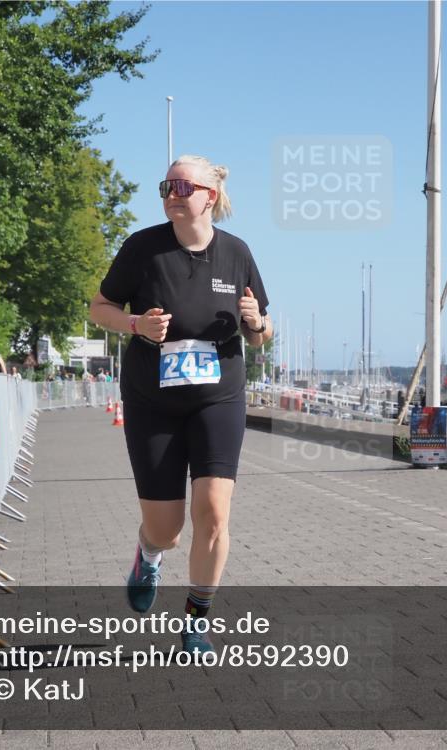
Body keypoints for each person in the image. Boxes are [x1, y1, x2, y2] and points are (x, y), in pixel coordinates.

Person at [89, 155, 271, 657]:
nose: (172, 194)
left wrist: (256, 323)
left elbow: (261, 335)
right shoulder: (142, 248)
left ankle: (195, 621)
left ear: (210, 196)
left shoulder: (237, 253)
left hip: (219, 397)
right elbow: (100, 308)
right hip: (153, 402)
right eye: (166, 186)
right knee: (167, 529)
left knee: (213, 513)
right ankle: (149, 554)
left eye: (183, 187)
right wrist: (135, 325)